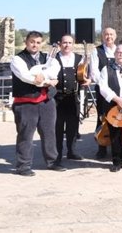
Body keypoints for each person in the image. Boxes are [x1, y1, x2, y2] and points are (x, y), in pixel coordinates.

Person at [11, 31, 64, 176]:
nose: (35, 45)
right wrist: (48, 81)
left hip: (47, 101)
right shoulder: (18, 59)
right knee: (26, 135)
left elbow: (55, 69)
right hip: (26, 103)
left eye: (38, 42)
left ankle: (52, 162)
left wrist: (47, 77)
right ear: (26, 42)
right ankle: (23, 166)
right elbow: (26, 76)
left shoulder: (47, 58)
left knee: (49, 133)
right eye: (32, 42)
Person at [54, 34, 89, 164]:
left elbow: (86, 74)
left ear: (73, 44)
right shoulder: (53, 58)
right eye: (64, 42)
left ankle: (71, 151)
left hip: (73, 98)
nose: (67, 45)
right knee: (57, 126)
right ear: (60, 44)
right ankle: (57, 153)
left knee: (72, 127)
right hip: (57, 98)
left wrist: (88, 79)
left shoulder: (79, 59)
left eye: (69, 43)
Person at [90, 27, 118, 158]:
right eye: (106, 34)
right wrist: (105, 87)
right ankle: (101, 147)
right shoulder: (97, 51)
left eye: (111, 34)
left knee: (118, 118)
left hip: (118, 92)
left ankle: (117, 147)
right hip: (102, 91)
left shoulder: (120, 50)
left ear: (115, 36)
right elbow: (94, 72)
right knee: (102, 118)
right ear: (103, 36)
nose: (109, 37)